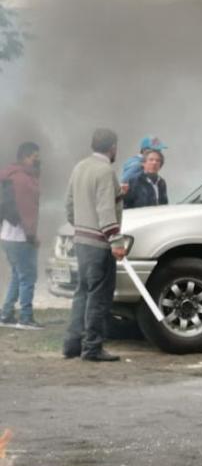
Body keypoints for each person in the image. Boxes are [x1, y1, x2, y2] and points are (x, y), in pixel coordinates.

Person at [63, 129, 127, 362]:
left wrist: (81, 225)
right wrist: (116, 241)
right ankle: (92, 348)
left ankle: (71, 345)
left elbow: (69, 204)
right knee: (98, 297)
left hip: (81, 241)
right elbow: (105, 210)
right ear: (112, 147)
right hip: (99, 245)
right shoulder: (105, 171)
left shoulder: (80, 167)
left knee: (82, 293)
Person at [0, 142, 42, 329]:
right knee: (28, 276)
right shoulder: (23, 179)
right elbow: (27, 211)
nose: (38, 160)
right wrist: (32, 236)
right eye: (35, 156)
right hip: (20, 236)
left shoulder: (9, 175)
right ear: (25, 157)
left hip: (6, 235)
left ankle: (6, 314)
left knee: (17, 275)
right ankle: (26, 318)